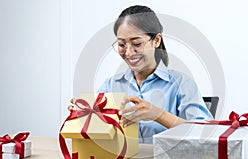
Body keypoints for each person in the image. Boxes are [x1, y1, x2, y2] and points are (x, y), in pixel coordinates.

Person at [71, 5, 213, 144]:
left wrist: (159, 115)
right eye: (121, 45)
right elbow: (97, 133)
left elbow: (205, 133)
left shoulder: (181, 84)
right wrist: (82, 116)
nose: (128, 53)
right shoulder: (110, 85)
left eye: (137, 44)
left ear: (156, 41)